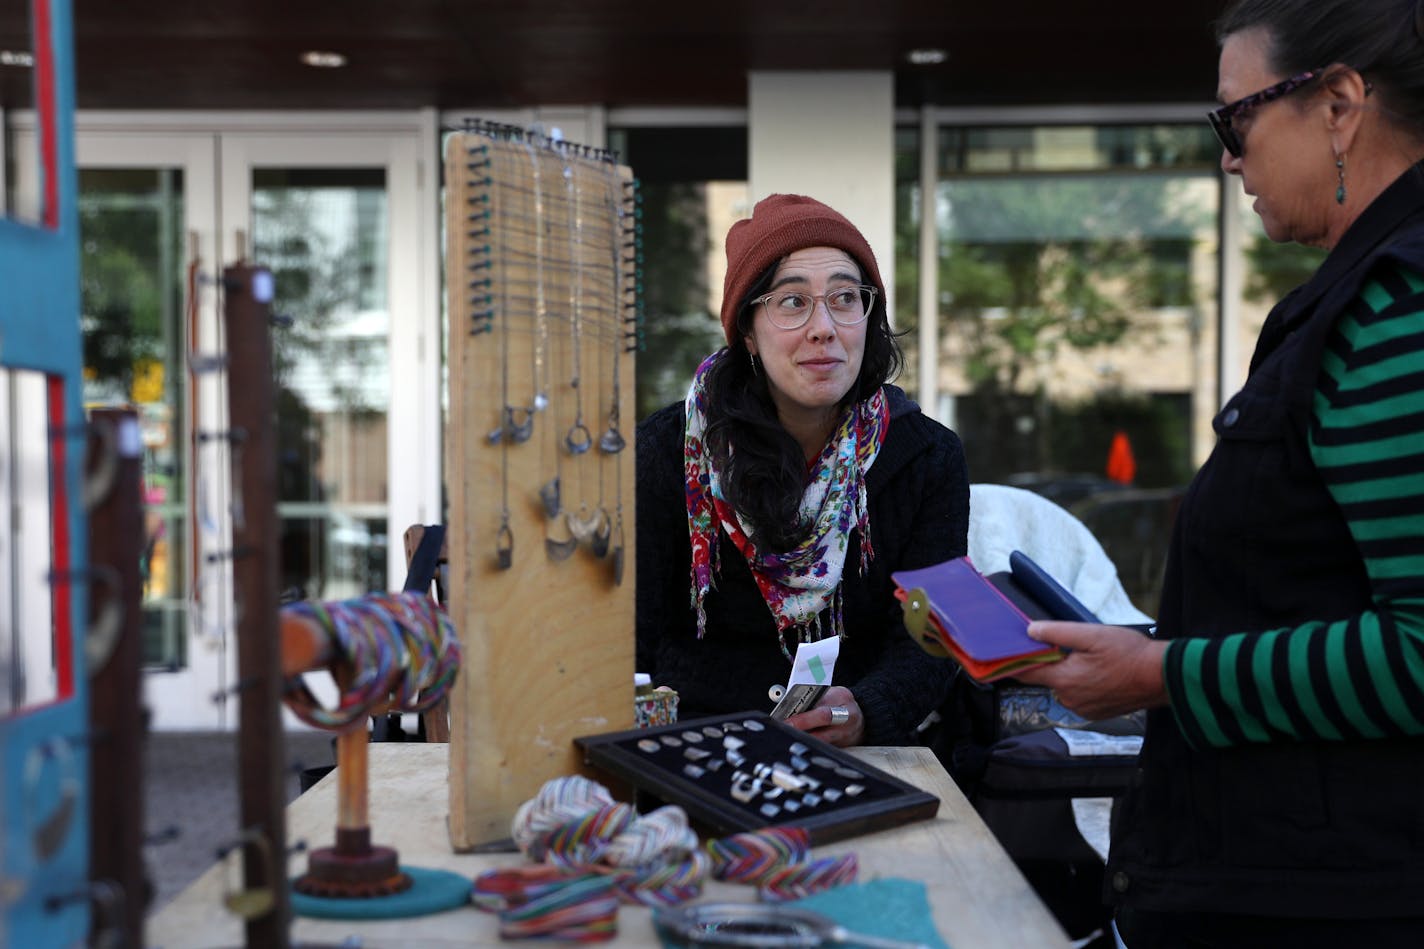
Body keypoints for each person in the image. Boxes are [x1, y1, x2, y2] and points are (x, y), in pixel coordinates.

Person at [1016, 1, 1424, 945]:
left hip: (1326, 898)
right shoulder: (1360, 295)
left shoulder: (1396, 304)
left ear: (1339, 104)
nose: (1229, 157)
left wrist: (1164, 673)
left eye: (1235, 117)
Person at [635, 194, 969, 747]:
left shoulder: (926, 457)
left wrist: (865, 710)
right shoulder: (671, 452)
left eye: (844, 298)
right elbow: (638, 641)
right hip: (701, 751)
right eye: (792, 302)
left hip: (863, 754)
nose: (824, 328)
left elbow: (932, 638)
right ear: (747, 332)